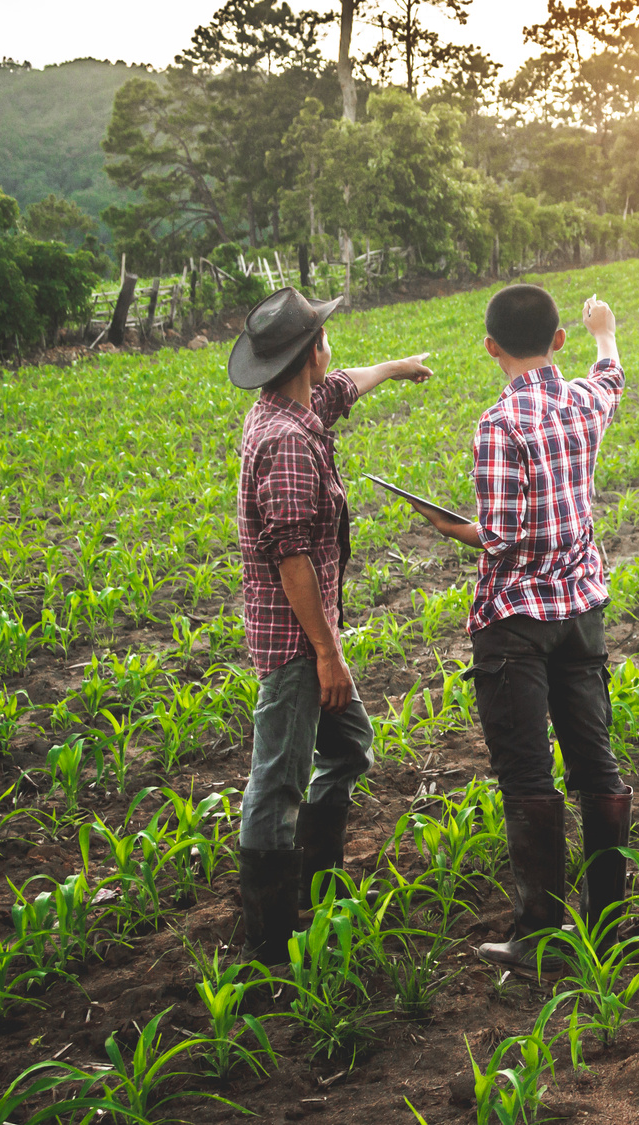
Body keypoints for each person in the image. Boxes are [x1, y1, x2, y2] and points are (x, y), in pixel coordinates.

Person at [415, 284, 629, 968]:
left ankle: (540, 933)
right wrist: (605, 330)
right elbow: (612, 375)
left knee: (528, 774)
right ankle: (610, 922)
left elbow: (501, 537)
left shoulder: (498, 426)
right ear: (557, 340)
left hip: (514, 623)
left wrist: (450, 526)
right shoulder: (585, 401)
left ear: (490, 348)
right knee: (595, 762)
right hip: (581, 613)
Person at [229, 286, 434, 963]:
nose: (332, 349)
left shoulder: (295, 405)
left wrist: (400, 366)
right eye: (324, 336)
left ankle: (318, 886)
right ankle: (269, 945)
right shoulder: (286, 443)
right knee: (277, 782)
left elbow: (346, 386)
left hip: (306, 638)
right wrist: (327, 654)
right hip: (297, 644)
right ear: (310, 353)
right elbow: (292, 563)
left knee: (347, 747)